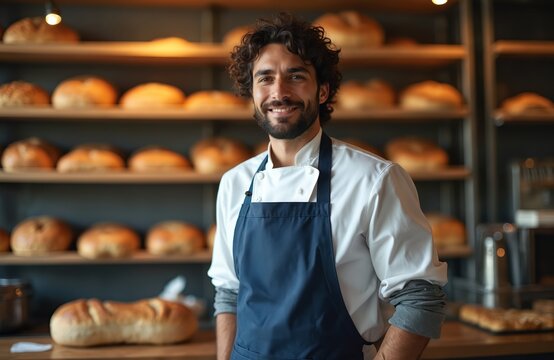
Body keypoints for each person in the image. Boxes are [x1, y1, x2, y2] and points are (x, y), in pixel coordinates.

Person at [207, 12, 448, 360]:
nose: (279, 91)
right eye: (265, 78)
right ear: (252, 93)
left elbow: (420, 297)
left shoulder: (374, 179)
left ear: (322, 90)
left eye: (295, 76)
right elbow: (228, 293)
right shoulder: (234, 183)